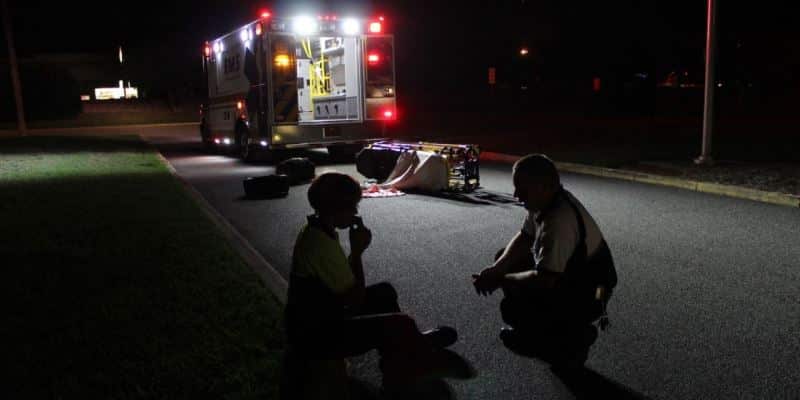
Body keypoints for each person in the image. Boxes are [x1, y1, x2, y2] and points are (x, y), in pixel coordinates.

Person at [284, 172, 458, 392]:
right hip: (317, 334)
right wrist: (357, 252)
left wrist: (355, 256)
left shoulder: (317, 230)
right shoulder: (319, 244)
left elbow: (344, 282)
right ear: (336, 208)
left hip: (321, 315)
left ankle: (405, 351)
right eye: (352, 206)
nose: (356, 212)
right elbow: (354, 300)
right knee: (401, 323)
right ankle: (402, 374)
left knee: (384, 292)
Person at [472, 154, 616, 367]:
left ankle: (572, 338)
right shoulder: (544, 201)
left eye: (522, 189)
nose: (516, 195)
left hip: (595, 291)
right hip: (575, 275)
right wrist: (496, 269)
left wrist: (501, 280)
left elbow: (544, 279)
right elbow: (524, 237)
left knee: (516, 306)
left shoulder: (559, 221)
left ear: (545, 186)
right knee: (505, 258)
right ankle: (549, 334)